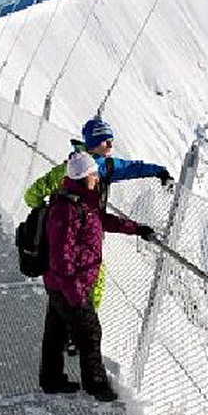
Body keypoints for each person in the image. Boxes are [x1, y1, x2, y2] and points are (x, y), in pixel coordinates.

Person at [25, 116, 173, 311]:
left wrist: (47, 213)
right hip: (83, 237)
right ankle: (84, 320)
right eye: (106, 140)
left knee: (64, 284)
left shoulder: (70, 168)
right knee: (89, 278)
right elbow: (130, 169)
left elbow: (32, 195)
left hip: (71, 234)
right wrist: (159, 171)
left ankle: (74, 323)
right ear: (94, 142)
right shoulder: (102, 168)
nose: (111, 144)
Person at [41, 151, 154, 401]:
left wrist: (137, 229)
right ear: (83, 176)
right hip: (69, 285)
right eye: (93, 173)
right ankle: (96, 386)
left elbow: (104, 221)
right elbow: (61, 257)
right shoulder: (68, 209)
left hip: (61, 283)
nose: (96, 177)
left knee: (56, 330)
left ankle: (50, 379)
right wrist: (76, 295)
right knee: (90, 332)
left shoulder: (83, 203)